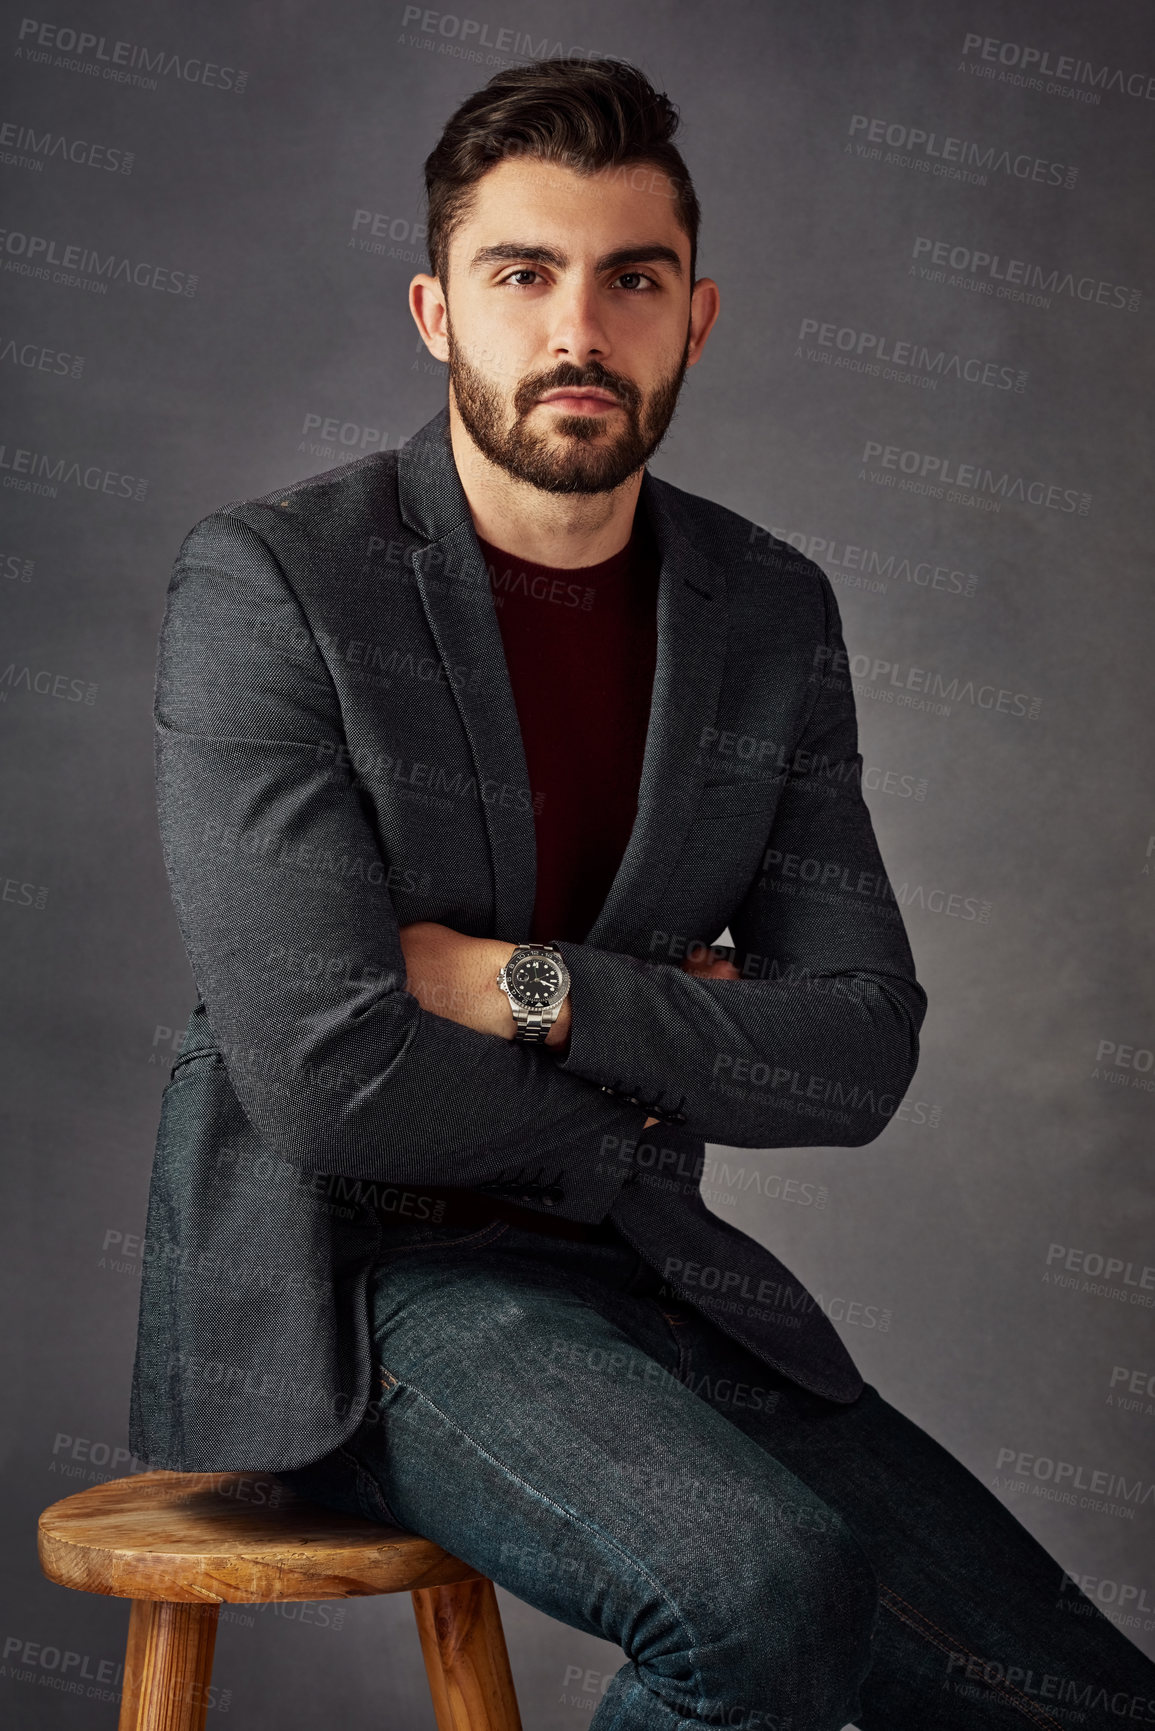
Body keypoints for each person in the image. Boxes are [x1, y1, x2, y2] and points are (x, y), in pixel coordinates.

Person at [130, 56, 1155, 1731]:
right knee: (761, 1599)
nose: (577, 330)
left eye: (633, 279)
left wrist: (526, 987)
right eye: (522, 273)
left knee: (1081, 1702)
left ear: (699, 318)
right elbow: (328, 1081)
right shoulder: (279, 586)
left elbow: (859, 1049)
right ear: (436, 312)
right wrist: (661, 1080)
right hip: (363, 1289)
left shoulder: (767, 609)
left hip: (643, 1275)